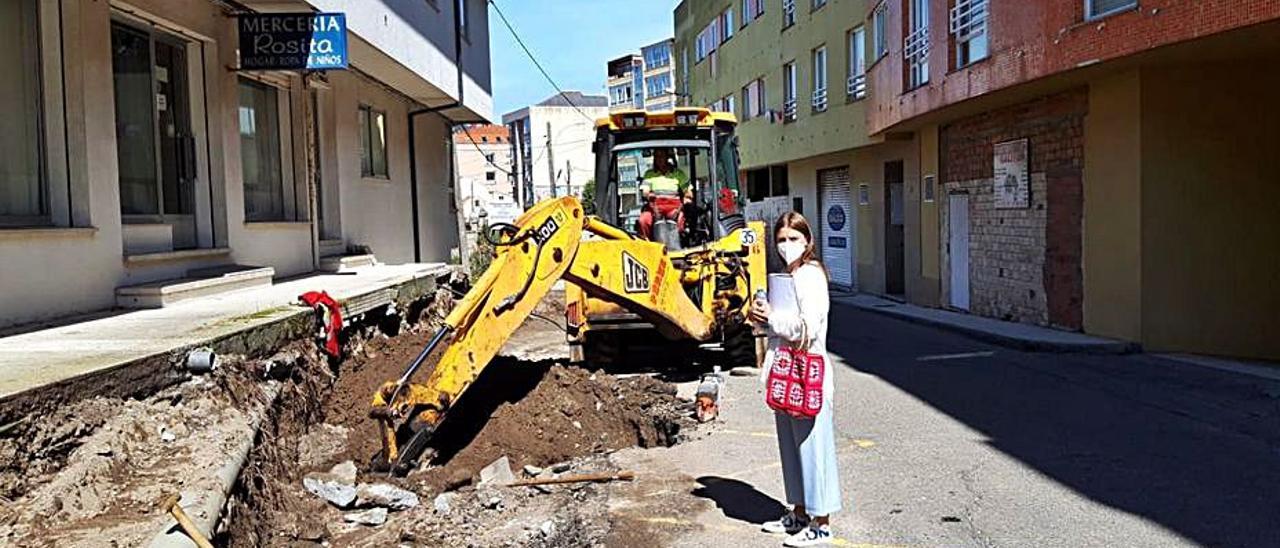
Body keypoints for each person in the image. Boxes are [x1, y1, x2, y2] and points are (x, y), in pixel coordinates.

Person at [750, 211, 841, 547]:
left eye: (794, 239)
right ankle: (799, 513)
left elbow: (808, 329)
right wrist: (759, 316)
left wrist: (773, 317)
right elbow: (777, 327)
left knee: (814, 448)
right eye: (782, 239)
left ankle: (822, 523)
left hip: (808, 374)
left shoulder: (811, 276)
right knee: (791, 447)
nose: (787, 245)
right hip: (784, 372)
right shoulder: (785, 277)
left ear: (808, 241)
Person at [636, 148, 688, 240]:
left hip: (675, 208)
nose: (659, 159)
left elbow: (688, 194)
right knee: (643, 221)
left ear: (667, 157)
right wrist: (648, 195)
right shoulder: (649, 174)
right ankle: (649, 244)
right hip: (654, 208)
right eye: (656, 156)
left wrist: (681, 207)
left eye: (661, 156)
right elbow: (645, 192)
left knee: (681, 224)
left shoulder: (679, 174)